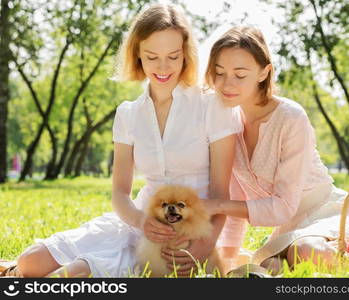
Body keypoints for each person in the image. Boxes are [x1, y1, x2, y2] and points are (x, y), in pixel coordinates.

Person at [5, 4, 239, 278]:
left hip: (190, 232)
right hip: (137, 221)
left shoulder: (213, 105)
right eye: (152, 57)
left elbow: (223, 196)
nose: (163, 68)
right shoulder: (128, 113)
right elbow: (120, 194)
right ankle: (14, 274)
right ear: (137, 54)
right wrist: (141, 221)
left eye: (173, 57)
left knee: (77, 273)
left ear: (185, 55)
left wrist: (204, 246)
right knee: (30, 262)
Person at [200, 26, 349, 274]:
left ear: (263, 73)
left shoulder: (290, 117)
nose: (227, 84)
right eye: (219, 73)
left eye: (240, 74)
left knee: (306, 251)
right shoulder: (226, 123)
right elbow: (234, 201)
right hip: (288, 230)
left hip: (329, 212)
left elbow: (281, 206)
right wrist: (226, 258)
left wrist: (217, 205)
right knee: (268, 266)